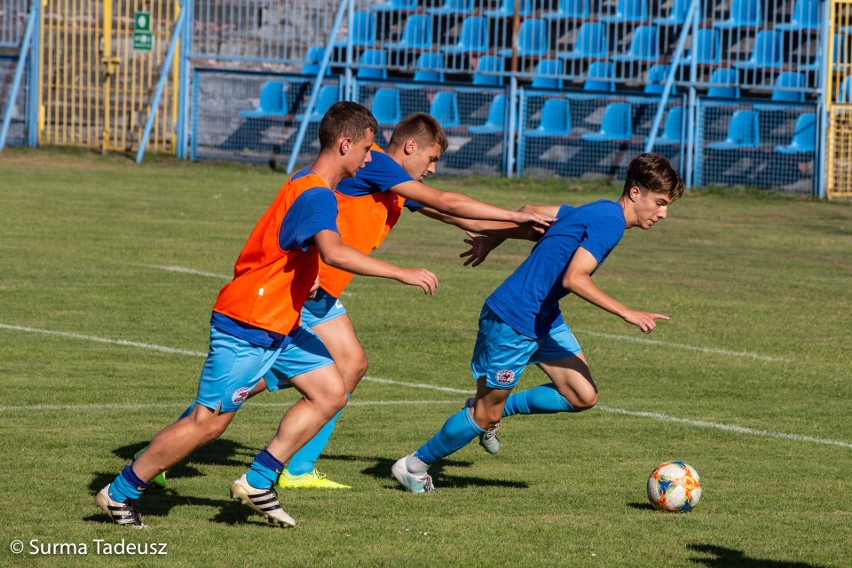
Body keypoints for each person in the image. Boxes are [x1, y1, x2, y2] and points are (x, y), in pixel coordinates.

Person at [148, 112, 555, 491]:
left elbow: (457, 217)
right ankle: (191, 453)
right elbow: (446, 200)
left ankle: (284, 464)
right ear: (410, 147)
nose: (431, 169)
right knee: (291, 374)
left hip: (320, 290)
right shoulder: (376, 163)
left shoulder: (388, 180)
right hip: (308, 286)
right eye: (431, 159)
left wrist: (530, 232)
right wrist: (516, 216)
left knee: (339, 368)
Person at [95, 101, 440, 528]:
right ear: (345, 144)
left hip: (283, 322)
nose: (372, 159)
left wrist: (307, 276)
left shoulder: (311, 186)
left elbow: (297, 248)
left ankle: (258, 480)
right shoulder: (315, 193)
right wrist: (402, 273)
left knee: (331, 391)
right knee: (208, 423)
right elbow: (333, 250)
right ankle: (121, 491)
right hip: (250, 322)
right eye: (367, 149)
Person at [391, 153, 685, 493]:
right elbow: (576, 278)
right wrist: (628, 312)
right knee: (484, 416)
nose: (663, 213)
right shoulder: (611, 222)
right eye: (660, 203)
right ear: (635, 193)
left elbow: (532, 210)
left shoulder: (599, 209)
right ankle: (414, 465)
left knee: (582, 395)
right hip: (514, 320)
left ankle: (495, 409)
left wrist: (492, 238)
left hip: (543, 316)